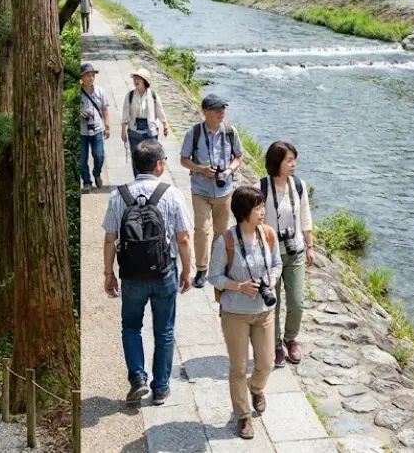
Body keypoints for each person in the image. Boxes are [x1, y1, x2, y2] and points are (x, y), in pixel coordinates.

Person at [102, 140, 193, 406]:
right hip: (164, 273)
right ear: (159, 164)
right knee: (164, 330)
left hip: (131, 274)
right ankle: (161, 387)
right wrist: (187, 270)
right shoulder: (171, 193)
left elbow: (110, 238)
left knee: (131, 327)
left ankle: (138, 379)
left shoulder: (119, 195)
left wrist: (109, 273)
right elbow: (184, 238)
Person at [208, 186, 282, 439]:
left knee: (266, 362)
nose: (262, 212)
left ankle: (256, 388)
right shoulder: (226, 241)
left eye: (262, 207)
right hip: (235, 313)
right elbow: (213, 276)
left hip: (264, 311)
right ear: (243, 213)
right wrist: (238, 286)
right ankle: (243, 416)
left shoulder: (268, 235)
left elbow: (277, 264)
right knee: (238, 367)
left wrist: (271, 279)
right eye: (257, 208)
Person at [256, 141, 313, 368]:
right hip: (270, 255)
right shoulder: (262, 187)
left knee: (297, 301)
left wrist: (310, 246)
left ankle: (291, 338)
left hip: (295, 251)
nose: (293, 164)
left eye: (294, 159)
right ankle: (276, 344)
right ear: (276, 162)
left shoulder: (298, 185)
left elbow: (306, 217)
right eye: (288, 160)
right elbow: (253, 220)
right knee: (274, 303)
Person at [179, 94, 244, 288]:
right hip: (200, 190)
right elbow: (183, 160)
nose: (221, 113)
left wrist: (229, 170)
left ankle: (218, 267)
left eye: (223, 109)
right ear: (206, 112)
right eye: (217, 110)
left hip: (224, 191)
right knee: (201, 230)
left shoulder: (231, 131)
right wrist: (201, 169)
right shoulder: (194, 133)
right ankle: (201, 269)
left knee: (221, 232)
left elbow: (239, 156)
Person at [120, 68, 169, 178]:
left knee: (152, 157)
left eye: (139, 79)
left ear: (145, 81)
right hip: (134, 131)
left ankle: (152, 179)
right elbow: (125, 113)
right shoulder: (130, 95)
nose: (136, 81)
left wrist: (165, 124)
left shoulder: (153, 95)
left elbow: (160, 110)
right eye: (135, 79)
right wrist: (123, 130)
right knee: (136, 157)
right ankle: (138, 178)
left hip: (150, 132)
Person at [79, 63, 111, 193]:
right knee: (82, 159)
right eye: (88, 76)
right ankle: (87, 181)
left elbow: (105, 109)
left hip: (97, 128)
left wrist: (107, 126)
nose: (91, 78)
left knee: (99, 155)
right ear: (82, 78)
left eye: (93, 76)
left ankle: (97, 172)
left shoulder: (100, 91)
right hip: (82, 131)